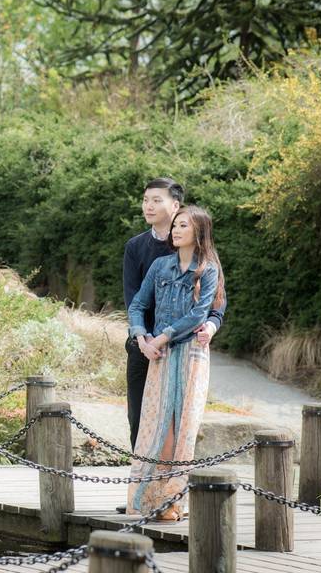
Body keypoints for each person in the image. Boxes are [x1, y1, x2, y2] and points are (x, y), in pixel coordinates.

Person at [124, 205, 226, 520]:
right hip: (160, 354)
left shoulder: (207, 269)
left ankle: (172, 501)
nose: (176, 230)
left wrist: (163, 336)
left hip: (190, 355)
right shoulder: (159, 265)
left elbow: (199, 314)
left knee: (183, 427)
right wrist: (142, 339)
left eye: (183, 225)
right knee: (157, 427)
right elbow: (138, 304)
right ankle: (150, 498)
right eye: (176, 225)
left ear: (199, 232)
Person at [121, 179, 225, 450]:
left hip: (181, 345)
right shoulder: (136, 247)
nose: (149, 206)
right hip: (144, 344)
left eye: (157, 200)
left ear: (175, 205)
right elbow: (134, 300)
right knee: (140, 418)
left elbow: (215, 302)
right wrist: (143, 339)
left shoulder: (196, 247)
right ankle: (144, 485)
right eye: (146, 200)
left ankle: (174, 482)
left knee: (180, 419)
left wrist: (211, 326)